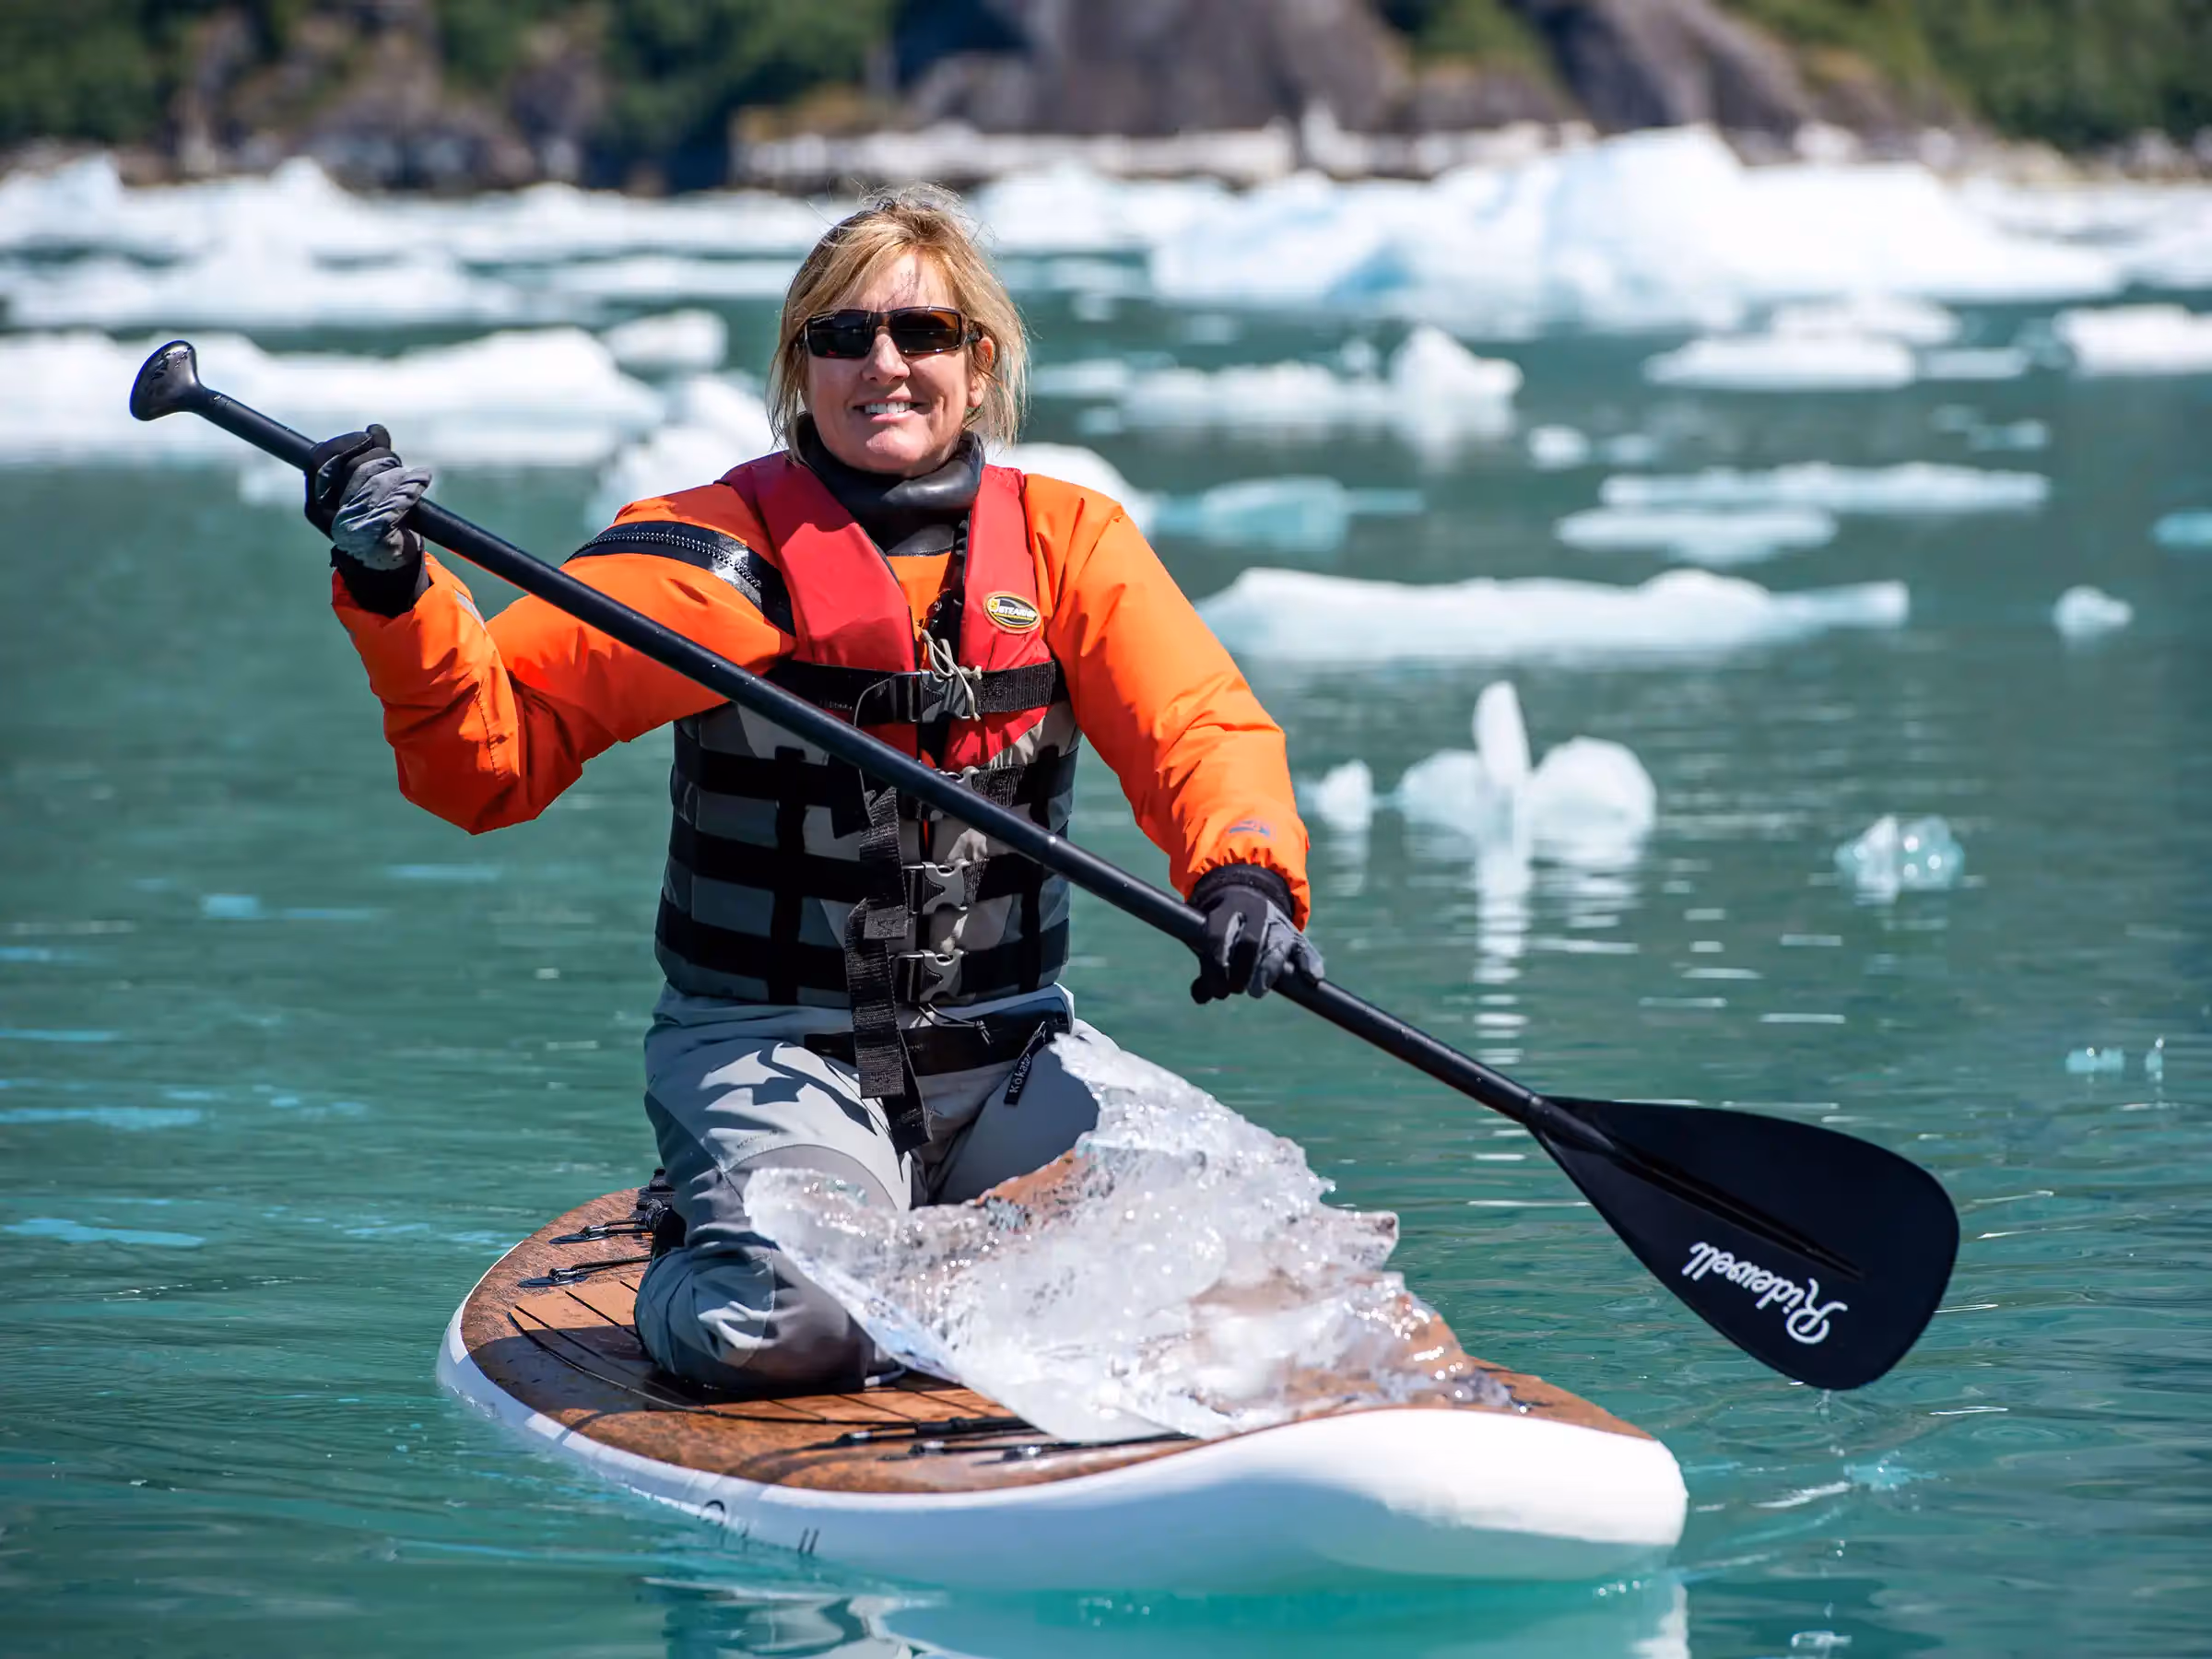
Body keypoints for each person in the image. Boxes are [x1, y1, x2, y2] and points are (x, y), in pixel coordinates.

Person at [311, 184, 1321, 1394]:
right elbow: (489, 760)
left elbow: (1197, 726)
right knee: (800, 1328)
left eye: (923, 334)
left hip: (1004, 1056)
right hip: (769, 1053)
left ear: (979, 362)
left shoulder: (1068, 545)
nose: (884, 363)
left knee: (1252, 1277)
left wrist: (1246, 870)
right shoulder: (710, 557)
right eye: (843, 337)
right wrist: (393, 590)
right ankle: (703, 1253)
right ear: (801, 370)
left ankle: (934, 1260)